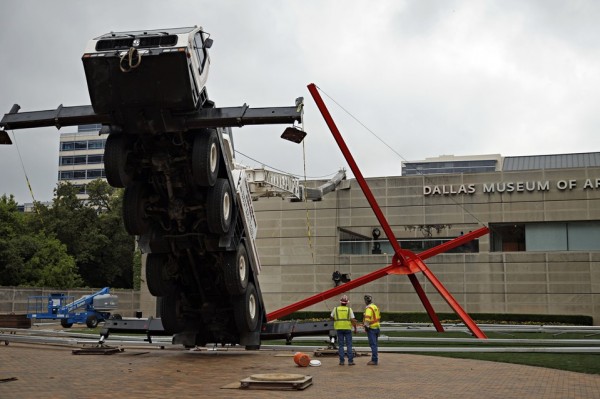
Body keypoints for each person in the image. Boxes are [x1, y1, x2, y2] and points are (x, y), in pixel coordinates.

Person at [330, 294, 357, 366]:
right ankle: (350, 361)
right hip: (347, 329)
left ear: (340, 302)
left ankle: (342, 361)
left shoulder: (335, 309)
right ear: (347, 302)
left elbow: (331, 317)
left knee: (341, 345)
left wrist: (335, 319)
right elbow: (353, 320)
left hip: (339, 329)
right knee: (349, 345)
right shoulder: (349, 309)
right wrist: (355, 329)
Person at [363, 294, 381, 365]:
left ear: (366, 301)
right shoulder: (375, 307)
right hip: (377, 327)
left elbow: (367, 319)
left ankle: (374, 360)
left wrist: (366, 326)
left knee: (373, 345)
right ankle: (375, 359)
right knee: (375, 345)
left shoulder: (369, 308)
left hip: (371, 328)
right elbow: (379, 317)